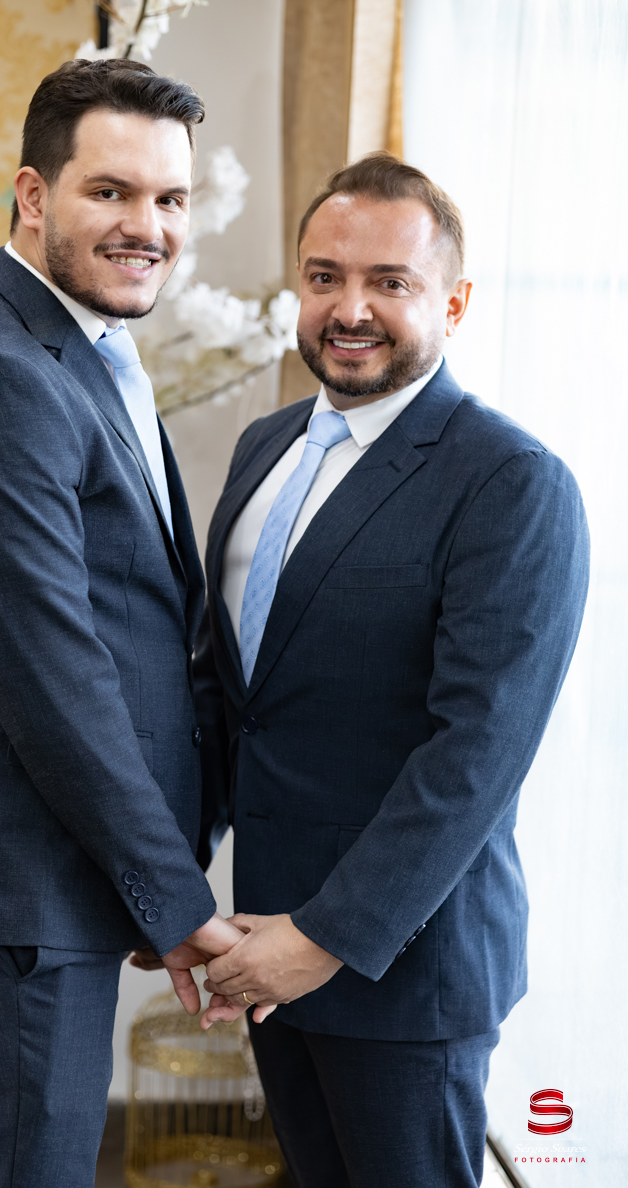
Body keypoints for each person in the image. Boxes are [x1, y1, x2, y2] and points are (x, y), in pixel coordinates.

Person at [0, 58, 241, 1187]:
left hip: (42, 871)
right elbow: (52, 678)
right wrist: (174, 901)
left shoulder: (84, 349)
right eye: (110, 192)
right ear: (32, 196)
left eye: (170, 199)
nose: (147, 227)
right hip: (3, 875)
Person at [194, 153, 589, 1187]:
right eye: (324, 276)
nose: (350, 308)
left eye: (390, 282)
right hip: (260, 941)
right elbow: (230, 698)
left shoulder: (510, 481)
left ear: (452, 303)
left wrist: (323, 939)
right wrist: (173, 890)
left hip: (406, 970)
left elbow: (477, 754)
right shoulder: (263, 448)